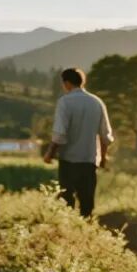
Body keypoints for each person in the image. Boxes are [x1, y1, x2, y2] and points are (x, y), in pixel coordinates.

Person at [43, 67, 113, 218]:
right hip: (89, 160)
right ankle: (85, 229)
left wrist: (50, 153)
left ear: (67, 83)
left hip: (68, 160)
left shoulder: (65, 102)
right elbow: (105, 135)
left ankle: (69, 231)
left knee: (67, 199)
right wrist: (103, 158)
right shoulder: (97, 102)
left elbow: (60, 134)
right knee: (87, 202)